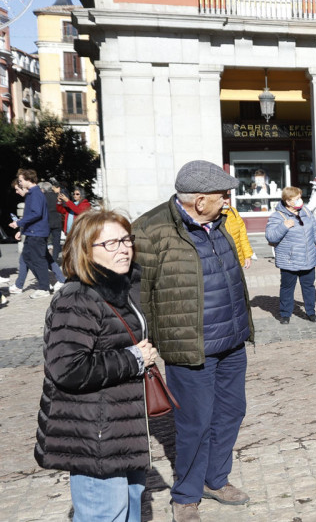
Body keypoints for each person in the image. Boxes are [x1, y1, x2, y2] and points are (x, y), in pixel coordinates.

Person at [132, 160, 253, 522]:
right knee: (195, 423)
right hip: (188, 346)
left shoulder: (221, 223)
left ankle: (215, 480)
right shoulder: (150, 231)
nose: (228, 202)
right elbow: (139, 295)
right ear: (199, 201)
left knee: (231, 412)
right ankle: (185, 496)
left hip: (231, 341)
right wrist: (145, 345)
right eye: (222, 196)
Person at [35, 208, 159, 522]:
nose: (124, 248)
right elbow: (67, 368)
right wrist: (133, 359)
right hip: (94, 432)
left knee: (130, 507)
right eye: (111, 244)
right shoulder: (77, 299)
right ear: (86, 251)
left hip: (123, 426)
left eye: (126, 240)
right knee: (104, 514)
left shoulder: (122, 289)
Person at [266, 186, 316, 324]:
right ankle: (285, 314)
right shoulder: (277, 216)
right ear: (288, 201)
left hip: (308, 258)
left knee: (309, 287)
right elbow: (271, 237)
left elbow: (315, 230)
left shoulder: (305, 211)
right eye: (297, 199)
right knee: (287, 288)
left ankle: (311, 312)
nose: (300, 201)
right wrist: (284, 226)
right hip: (289, 260)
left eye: (300, 197)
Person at [8, 169, 56, 298]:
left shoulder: (35, 194)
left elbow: (36, 213)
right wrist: (21, 225)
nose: (20, 183)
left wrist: (19, 223)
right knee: (28, 258)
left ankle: (44, 287)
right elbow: (33, 213)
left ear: (29, 180)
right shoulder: (33, 193)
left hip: (37, 232)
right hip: (33, 231)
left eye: (21, 181)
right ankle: (44, 283)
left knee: (38, 260)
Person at [222, 200, 253, 269]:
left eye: (226, 196)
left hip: (237, 259)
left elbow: (242, 235)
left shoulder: (233, 211)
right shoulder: (210, 215)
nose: (225, 201)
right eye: (222, 197)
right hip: (221, 262)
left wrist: (247, 255)